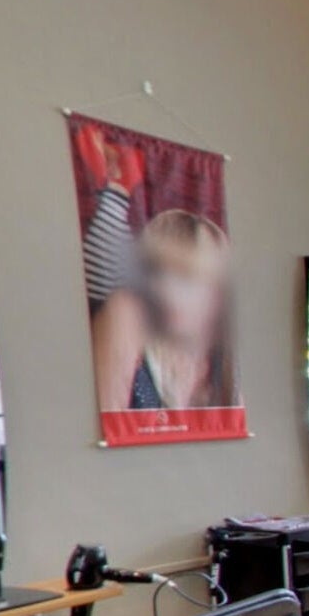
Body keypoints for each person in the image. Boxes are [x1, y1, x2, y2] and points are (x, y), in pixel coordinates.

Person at [78, 123, 236, 413]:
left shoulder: (221, 354)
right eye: (158, 274)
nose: (169, 291)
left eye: (189, 277)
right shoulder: (127, 316)